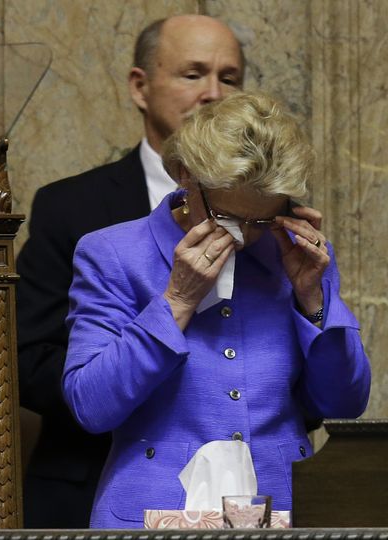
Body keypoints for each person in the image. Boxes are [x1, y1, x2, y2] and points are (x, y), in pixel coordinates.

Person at [63, 91, 371, 529]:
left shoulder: (297, 256)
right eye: (228, 218)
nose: (244, 237)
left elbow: (345, 402)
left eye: (261, 221)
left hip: (287, 509)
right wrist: (177, 301)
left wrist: (313, 299)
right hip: (150, 513)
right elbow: (91, 406)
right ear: (186, 177)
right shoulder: (111, 253)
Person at [16, 14, 245, 528]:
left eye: (228, 78)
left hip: (243, 499)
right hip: (89, 486)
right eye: (192, 74)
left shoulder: (268, 213)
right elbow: (27, 358)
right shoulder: (70, 207)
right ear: (141, 87)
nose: (213, 94)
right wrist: (137, 387)